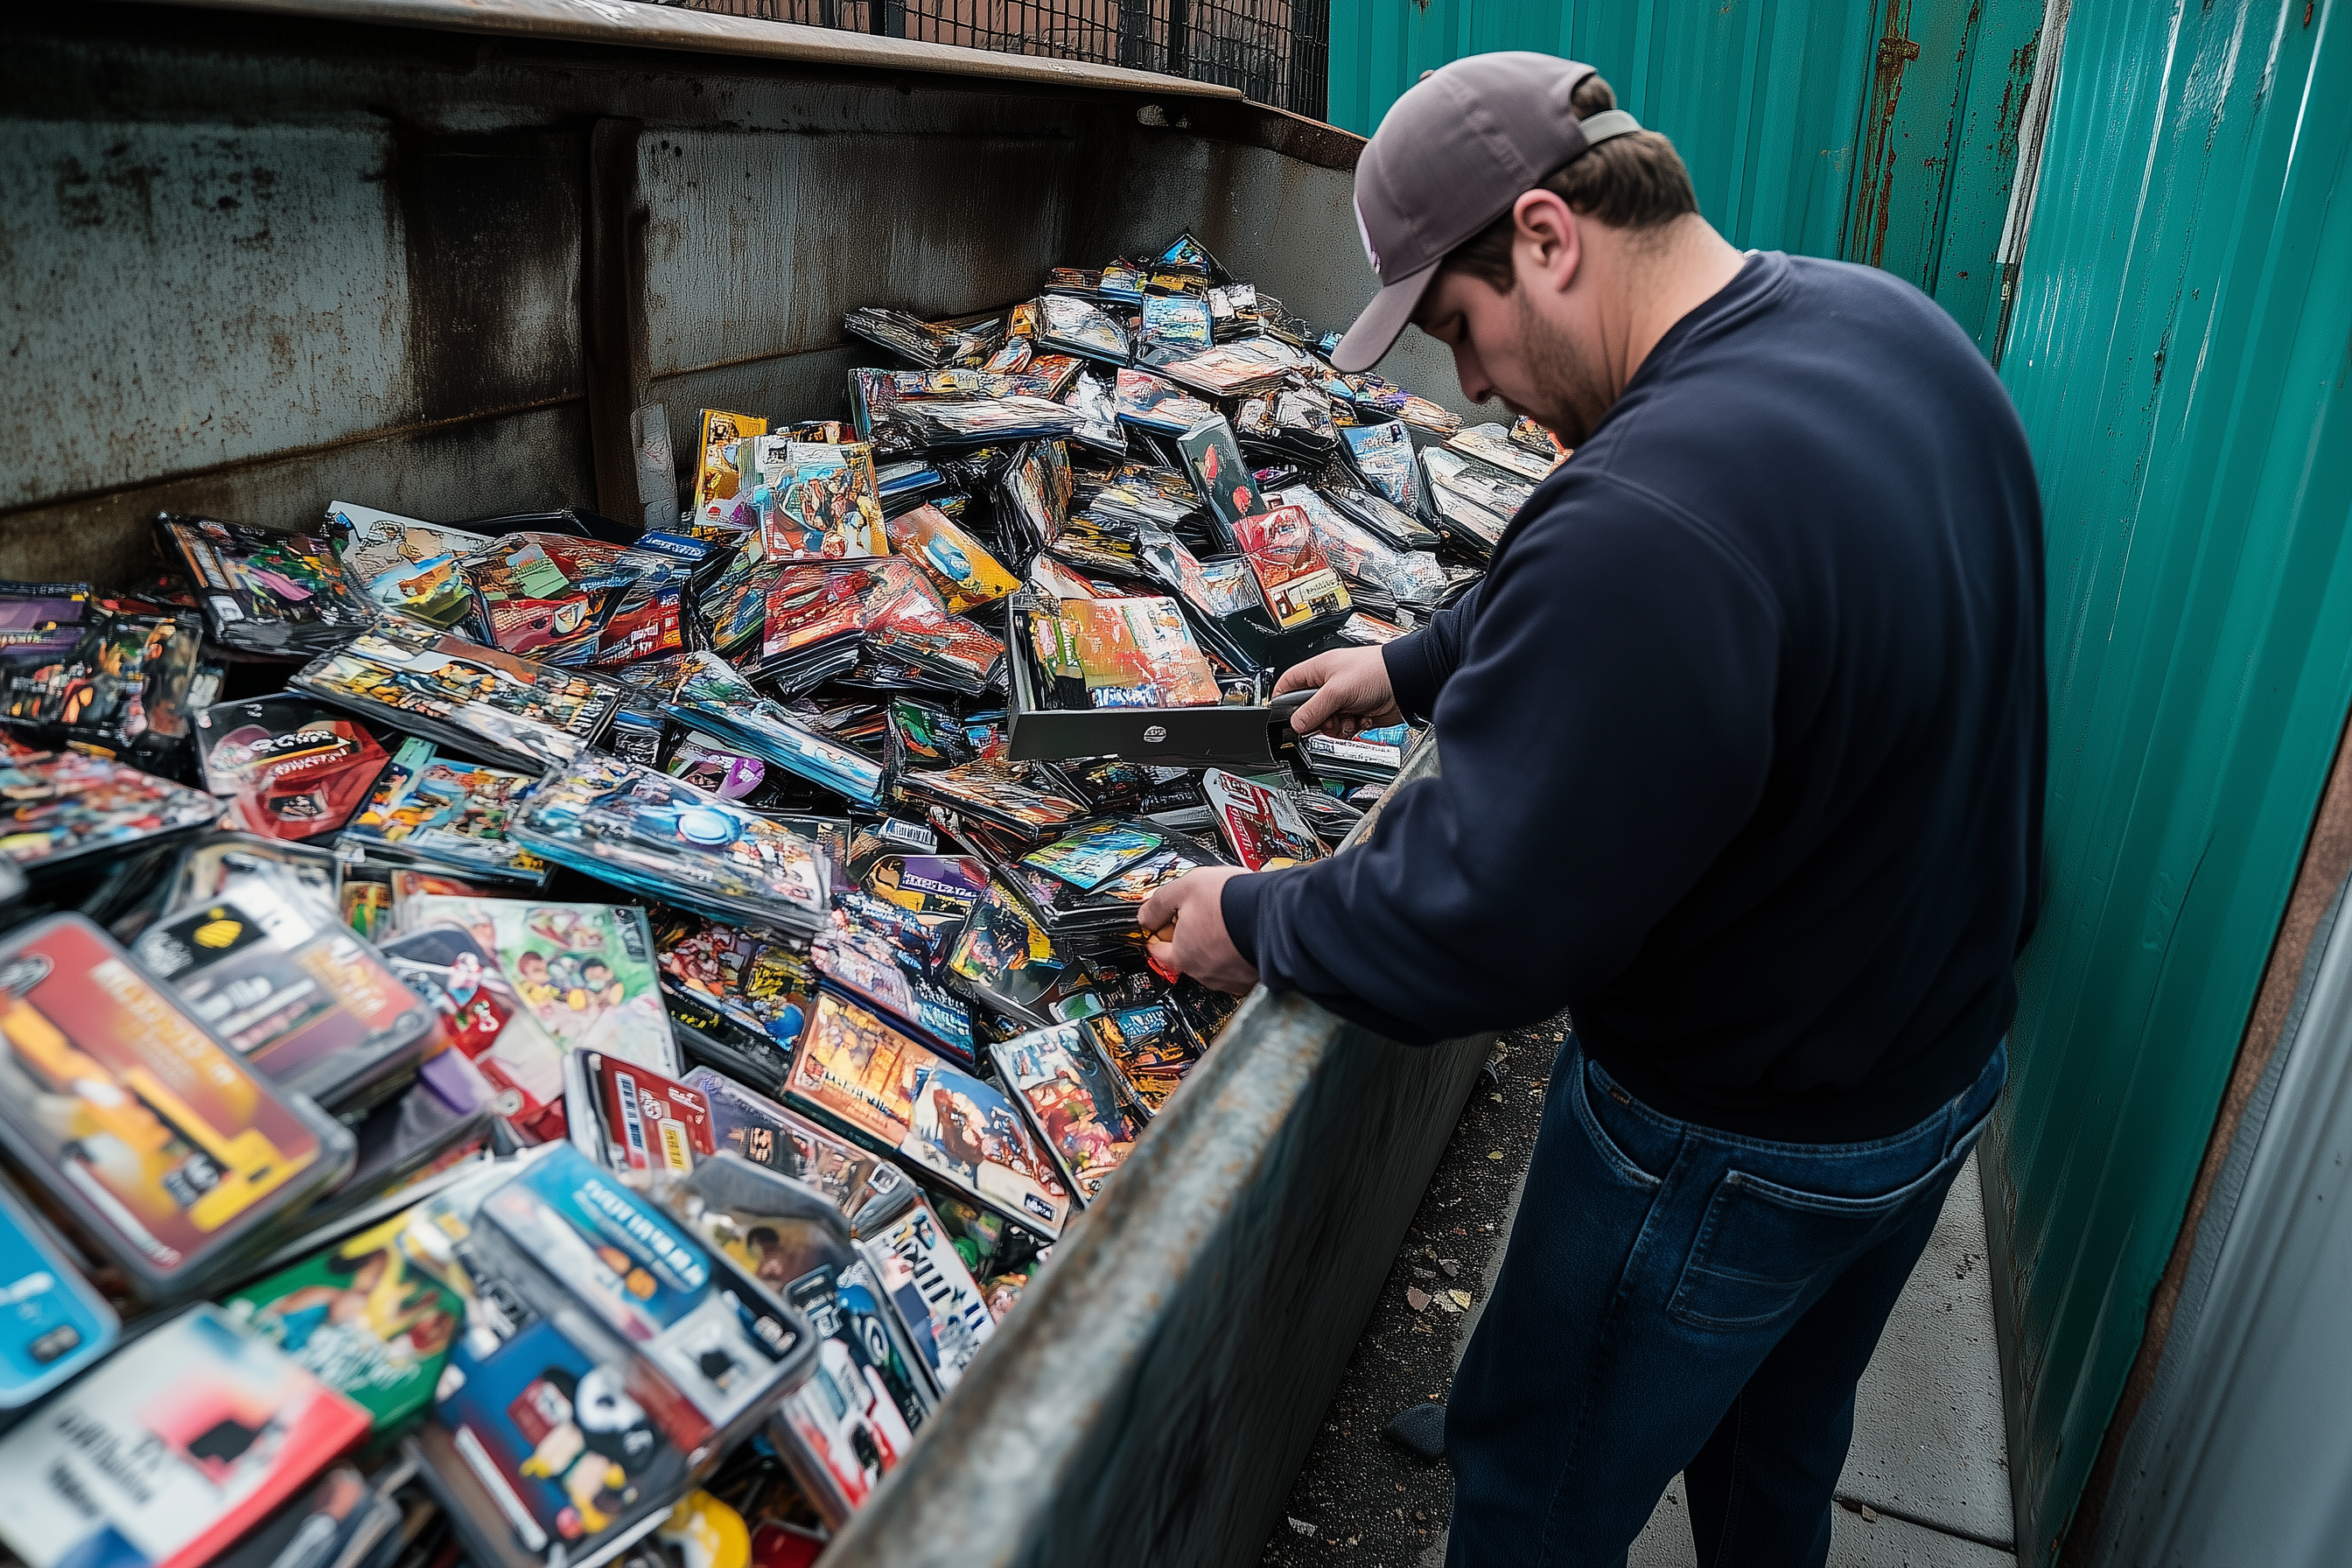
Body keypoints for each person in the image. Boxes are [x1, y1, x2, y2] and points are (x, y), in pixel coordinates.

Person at [1138, 52, 2045, 1568]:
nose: (1473, 384)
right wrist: (1415, 661)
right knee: (1774, 1446)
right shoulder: (1880, 323)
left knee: (1535, 1492)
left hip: (1730, 1143)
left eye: (1460, 330)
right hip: (1930, 1073)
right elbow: (1733, 594)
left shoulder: (1642, 512)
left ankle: (1551, 1426)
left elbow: (1476, 924)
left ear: (1549, 235)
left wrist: (1251, 915)